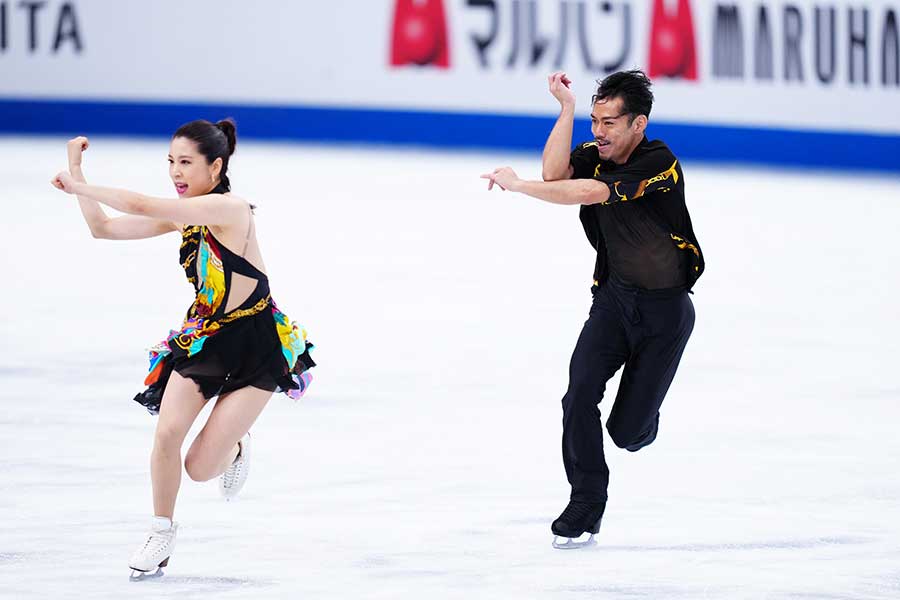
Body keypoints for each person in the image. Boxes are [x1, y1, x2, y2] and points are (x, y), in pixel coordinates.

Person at [51, 121, 315, 577]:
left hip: (257, 344)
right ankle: (161, 532)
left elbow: (140, 203)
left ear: (216, 167)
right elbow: (103, 228)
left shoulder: (229, 209)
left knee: (199, 467)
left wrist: (78, 184)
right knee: (167, 434)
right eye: (171, 161)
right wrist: (77, 171)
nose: (176, 171)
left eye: (186, 162)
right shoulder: (183, 215)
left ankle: (234, 447)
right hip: (206, 339)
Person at [482, 70, 704, 548]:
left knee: (626, 432)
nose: (598, 132)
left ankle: (641, 420)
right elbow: (556, 174)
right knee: (578, 394)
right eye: (594, 120)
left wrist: (518, 186)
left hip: (666, 315)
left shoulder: (658, 162)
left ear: (638, 124)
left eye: (609, 123)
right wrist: (565, 108)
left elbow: (587, 192)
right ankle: (586, 501)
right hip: (614, 302)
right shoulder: (594, 155)